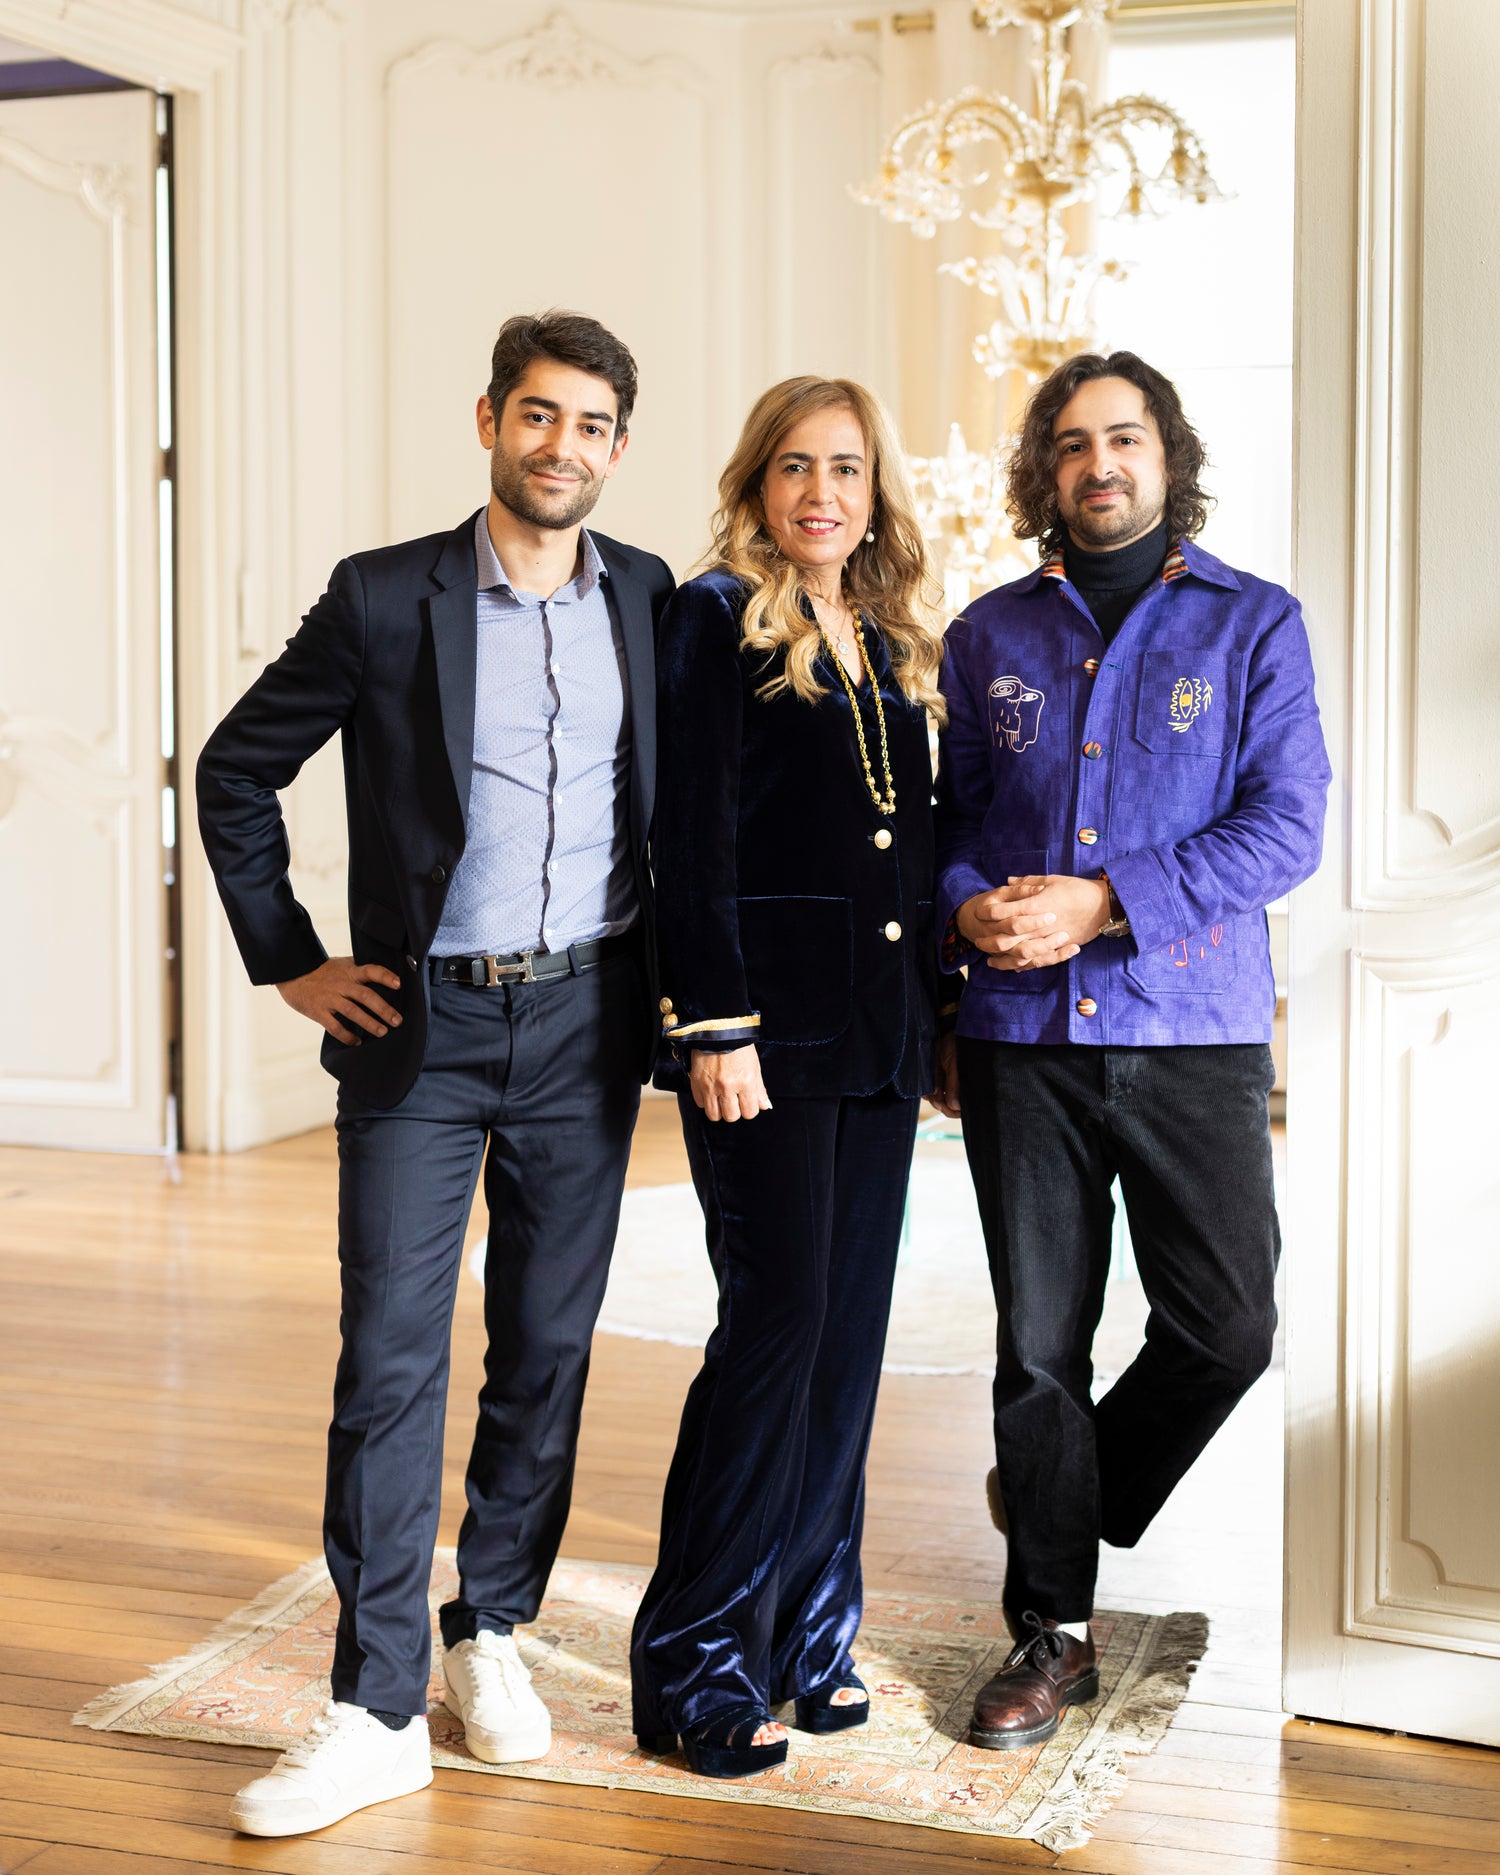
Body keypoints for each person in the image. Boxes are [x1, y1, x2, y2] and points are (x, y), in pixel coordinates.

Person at [196, 311, 673, 1837]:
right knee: (391, 1358)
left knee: (546, 1344)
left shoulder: (650, 598)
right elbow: (236, 768)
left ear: (617, 448)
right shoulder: (383, 595)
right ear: (489, 421)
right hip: (422, 1031)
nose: (561, 446)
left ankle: (493, 1631)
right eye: (538, 415)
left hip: (588, 1025)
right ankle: (375, 1706)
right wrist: (292, 961)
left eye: (590, 425)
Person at [933, 351, 1331, 1751]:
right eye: (1072, 443)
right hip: (1020, 1040)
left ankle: (1070, 1491)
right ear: (1044, 471)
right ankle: (1051, 1631)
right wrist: (965, 909)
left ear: (1169, 458)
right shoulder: (986, 634)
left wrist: (1107, 903)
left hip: (1192, 1027)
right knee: (1038, 1347)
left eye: (1125, 438)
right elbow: (952, 827)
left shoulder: (1256, 624)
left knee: (1229, 1325)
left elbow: (1288, 828)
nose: (1098, 464)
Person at [629, 376, 960, 1780]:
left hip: (877, 1039)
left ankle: (808, 1632)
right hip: (762, 1039)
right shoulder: (713, 616)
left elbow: (907, 846)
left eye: (847, 469)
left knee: (847, 1338)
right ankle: (695, 1663)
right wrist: (713, 1025)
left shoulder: (886, 637)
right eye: (796, 467)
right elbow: (689, 835)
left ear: (876, 493)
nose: (823, 493)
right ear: (757, 484)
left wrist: (938, 1023)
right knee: (777, 1323)